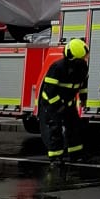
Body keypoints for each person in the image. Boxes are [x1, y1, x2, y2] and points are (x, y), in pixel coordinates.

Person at [36, 37, 88, 175]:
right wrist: (58, 105)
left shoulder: (82, 67)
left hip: (68, 102)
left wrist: (83, 99)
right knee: (55, 129)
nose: (84, 59)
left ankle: (75, 155)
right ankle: (55, 158)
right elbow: (49, 91)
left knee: (74, 127)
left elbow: (83, 85)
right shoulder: (57, 67)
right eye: (82, 57)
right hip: (52, 103)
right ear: (73, 58)